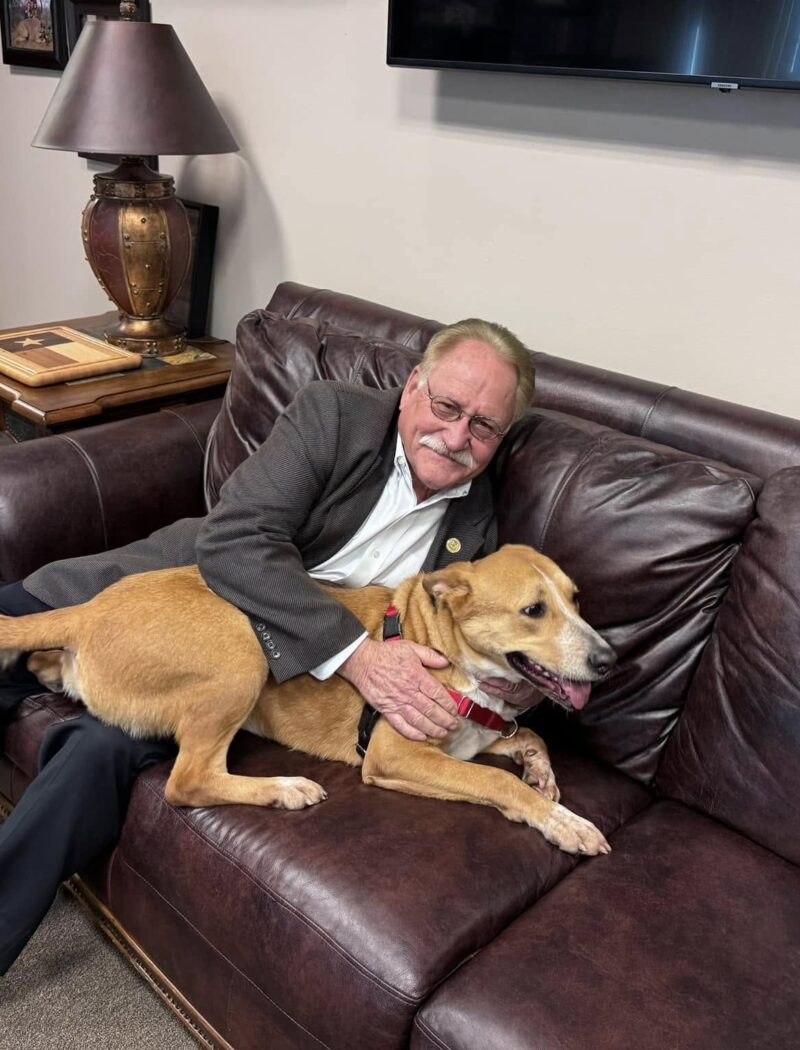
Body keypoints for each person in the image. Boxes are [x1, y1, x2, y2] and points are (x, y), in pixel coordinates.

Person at [0, 317, 537, 973]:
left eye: (483, 427)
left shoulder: (477, 538)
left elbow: (476, 646)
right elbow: (236, 542)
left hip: (244, 684)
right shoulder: (335, 417)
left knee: (100, 750)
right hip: (161, 598)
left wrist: (515, 690)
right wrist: (358, 654)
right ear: (414, 386)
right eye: (448, 406)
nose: (457, 437)